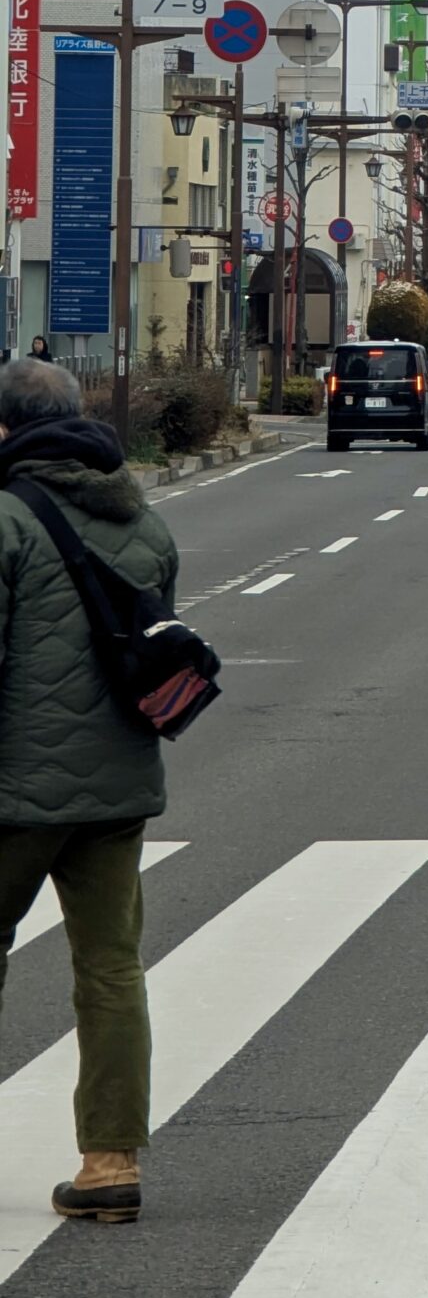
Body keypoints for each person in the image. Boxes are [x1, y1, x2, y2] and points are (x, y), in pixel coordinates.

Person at [0, 358, 179, 1222]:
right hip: (118, 786)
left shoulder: (6, 519)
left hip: (15, 791)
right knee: (111, 966)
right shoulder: (142, 520)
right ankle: (111, 1163)